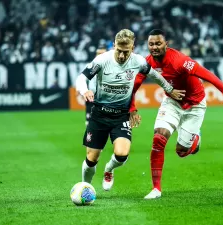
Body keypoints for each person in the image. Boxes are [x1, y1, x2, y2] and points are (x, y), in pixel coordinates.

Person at [130, 29, 223, 199]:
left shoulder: (180, 61)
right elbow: (134, 85)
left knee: (181, 151)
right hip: (172, 102)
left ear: (166, 44)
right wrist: (132, 108)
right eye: (151, 44)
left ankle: (196, 139)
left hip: (195, 105)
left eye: (158, 43)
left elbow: (211, 77)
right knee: (159, 138)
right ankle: (156, 189)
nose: (154, 47)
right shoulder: (147, 62)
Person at [75, 29, 185, 191]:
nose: (121, 55)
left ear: (132, 48)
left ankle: (109, 169)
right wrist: (84, 90)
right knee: (92, 158)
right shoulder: (102, 60)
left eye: (125, 52)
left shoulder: (138, 62)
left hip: (120, 116)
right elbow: (81, 78)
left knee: (121, 154)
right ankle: (86, 188)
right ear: (114, 46)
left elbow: (155, 76)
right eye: (118, 50)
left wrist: (169, 89)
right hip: (99, 114)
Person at [85, 45, 107, 126]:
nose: (100, 55)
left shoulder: (110, 67)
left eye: (102, 53)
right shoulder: (90, 65)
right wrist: (82, 89)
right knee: (89, 122)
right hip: (91, 96)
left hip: (105, 98)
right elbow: (83, 79)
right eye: (98, 53)